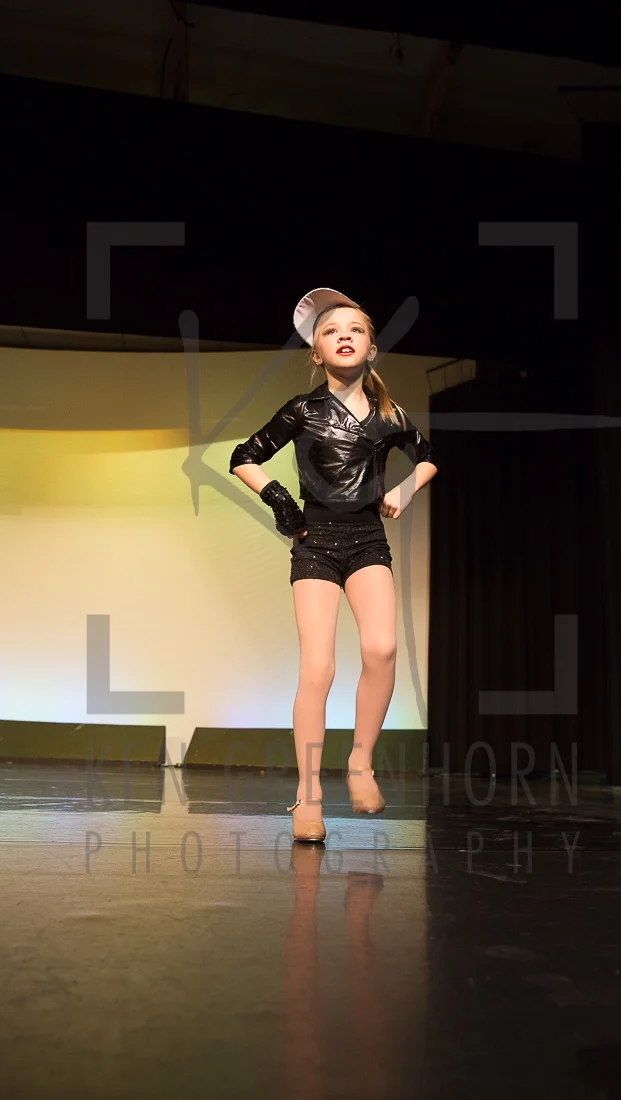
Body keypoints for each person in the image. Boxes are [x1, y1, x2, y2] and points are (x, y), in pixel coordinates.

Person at [229, 288, 438, 842]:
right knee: (318, 668)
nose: (344, 336)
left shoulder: (389, 414)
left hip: (367, 538)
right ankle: (308, 795)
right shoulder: (303, 409)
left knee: (382, 649)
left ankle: (360, 764)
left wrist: (406, 488)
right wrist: (279, 498)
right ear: (317, 353)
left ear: (371, 348)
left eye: (356, 330)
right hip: (315, 542)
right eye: (331, 331)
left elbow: (427, 458)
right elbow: (243, 456)